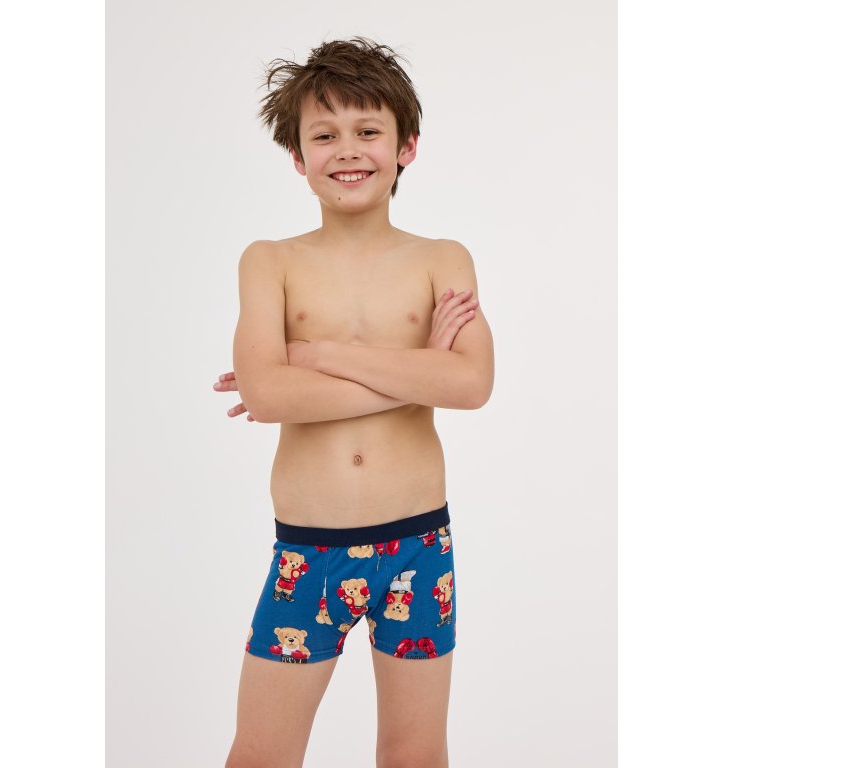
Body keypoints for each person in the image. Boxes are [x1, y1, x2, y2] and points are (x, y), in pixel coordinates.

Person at [213, 37, 494, 768]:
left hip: (418, 547)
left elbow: (471, 384)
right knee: (260, 754)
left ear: (406, 147)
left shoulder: (442, 258)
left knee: (414, 754)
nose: (348, 150)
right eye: (324, 134)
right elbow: (267, 394)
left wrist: (318, 355)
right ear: (297, 156)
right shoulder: (270, 261)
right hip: (308, 551)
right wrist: (419, 369)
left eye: (368, 130)